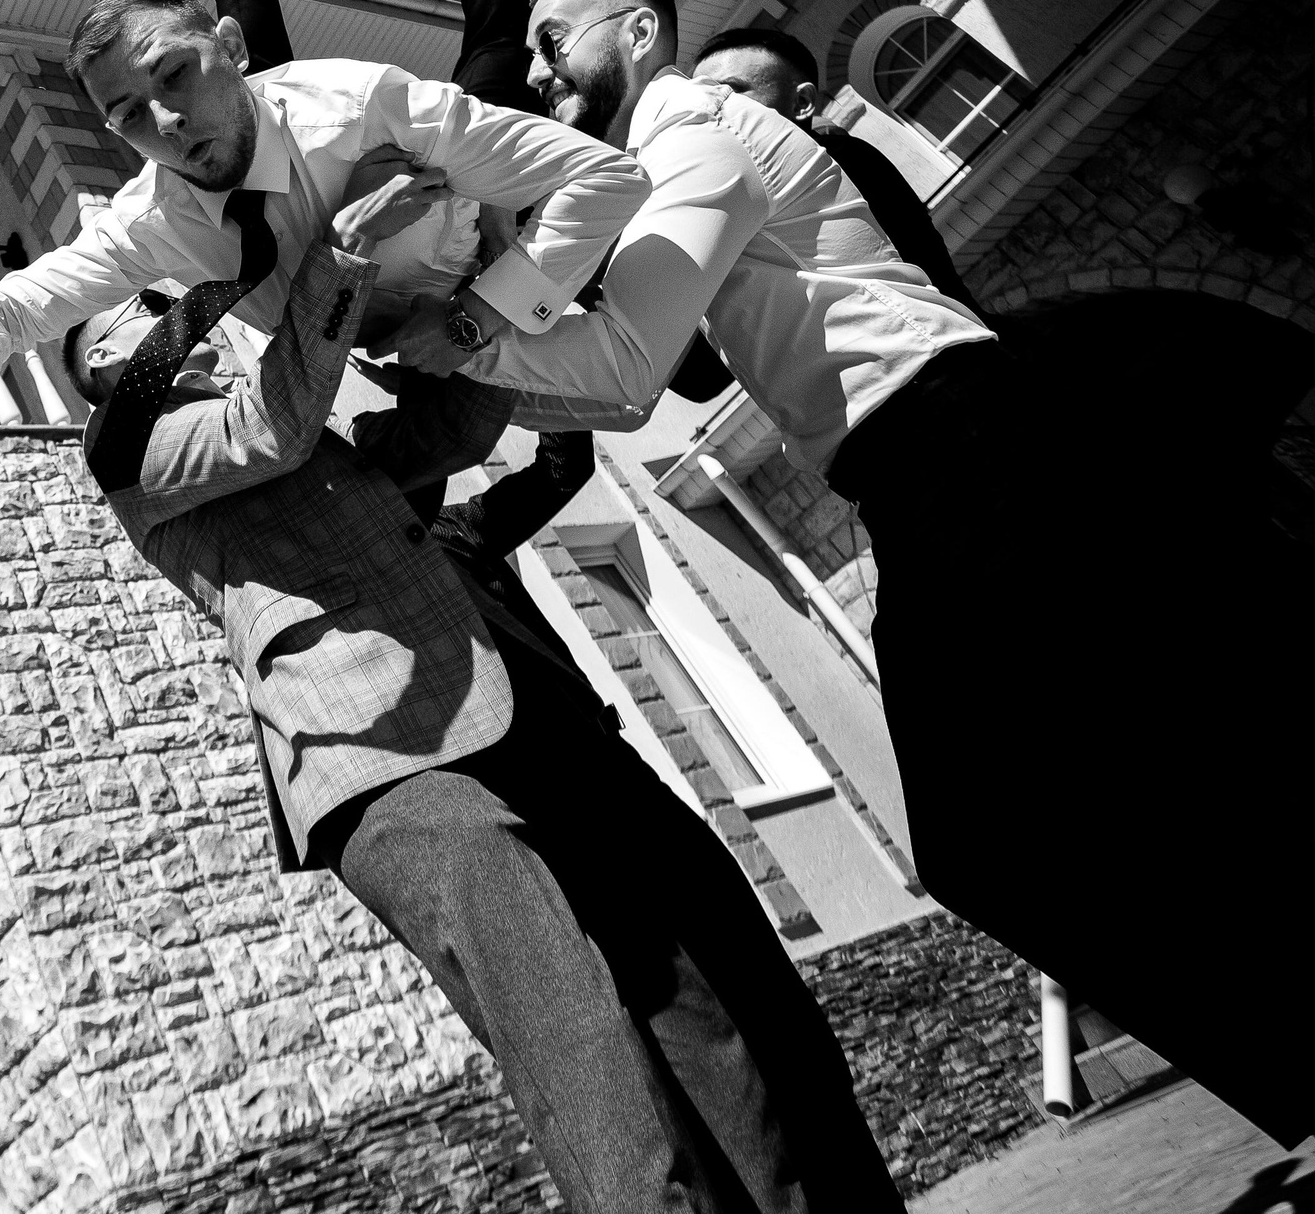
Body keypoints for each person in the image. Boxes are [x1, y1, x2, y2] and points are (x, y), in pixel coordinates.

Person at [448, 0, 1312, 1146]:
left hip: (966, 434)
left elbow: (622, 371)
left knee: (1046, 804)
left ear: (639, 32)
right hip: (919, 475)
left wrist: (447, 338)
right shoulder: (649, 174)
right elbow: (636, 357)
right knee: (1019, 821)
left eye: (556, 37)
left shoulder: (693, 130)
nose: (538, 66)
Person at [64, 170, 903, 1214]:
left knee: (687, 1002)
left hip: (511, 720)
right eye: (136, 315)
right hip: (377, 764)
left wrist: (497, 294)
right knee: (571, 1028)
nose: (172, 320)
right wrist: (273, 265)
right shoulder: (129, 453)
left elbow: (450, 439)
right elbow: (267, 427)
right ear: (98, 359)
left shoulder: (313, 430)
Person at [0, 0, 653, 506]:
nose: (164, 121)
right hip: (390, 375)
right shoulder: (147, 222)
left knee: (637, 393)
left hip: (522, 294)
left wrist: (477, 316)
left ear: (230, 44)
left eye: (175, 74)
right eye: (127, 114)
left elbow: (608, 181)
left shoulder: (363, 110)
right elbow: (9, 309)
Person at [197, 0, 599, 518]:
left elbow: (458, 426)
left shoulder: (443, 382)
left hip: (448, 193)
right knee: (263, 78)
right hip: (436, 194)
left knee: (497, 27)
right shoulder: (414, 363)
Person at [691, 25, 987, 320]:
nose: (708, 108)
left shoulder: (840, 161)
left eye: (730, 91)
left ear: (802, 103)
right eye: (698, 97)